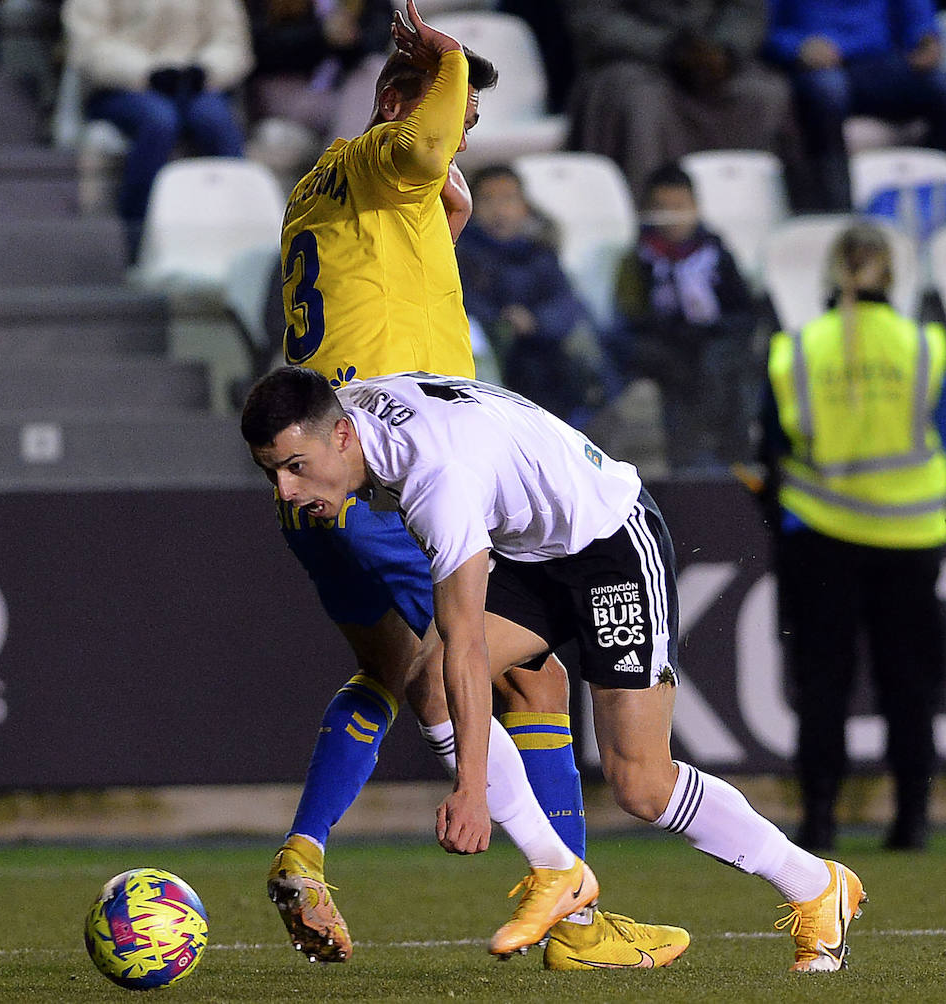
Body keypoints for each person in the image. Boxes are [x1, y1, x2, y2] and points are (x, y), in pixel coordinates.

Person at [264, 1, 685, 970]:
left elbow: (381, 284)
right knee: (518, 671)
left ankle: (305, 848)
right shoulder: (385, 160)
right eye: (461, 121)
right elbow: (415, 149)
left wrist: (436, 225)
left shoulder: (324, 188)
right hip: (376, 478)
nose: (464, 141)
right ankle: (574, 916)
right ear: (401, 106)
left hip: (309, 490)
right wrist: (443, 62)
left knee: (392, 673)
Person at [241, 365, 868, 973]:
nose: (287, 492)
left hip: (613, 543)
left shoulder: (439, 478)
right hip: (534, 553)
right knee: (425, 681)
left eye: (297, 468)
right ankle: (558, 868)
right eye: (273, 473)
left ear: (344, 435)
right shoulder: (352, 410)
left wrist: (471, 786)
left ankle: (817, 886)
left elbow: (467, 645)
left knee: (640, 784)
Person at [756, 222, 946, 852]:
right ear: (892, 276)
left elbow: (772, 448)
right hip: (911, 535)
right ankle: (912, 820)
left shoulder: (797, 348)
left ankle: (820, 819)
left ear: (829, 273)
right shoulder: (924, 346)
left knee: (822, 682)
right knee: (910, 683)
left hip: (819, 536)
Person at [563, 0, 807, 204]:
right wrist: (671, 48)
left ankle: (754, 210)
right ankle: (653, 218)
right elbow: (594, 22)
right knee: (642, 102)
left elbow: (747, 12)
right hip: (632, 61)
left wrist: (723, 50)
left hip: (713, 57)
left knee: (765, 93)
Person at [62, 0, 254, 253]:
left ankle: (246, 233)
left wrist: (206, 70)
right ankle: (138, 241)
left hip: (197, 83)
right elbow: (88, 46)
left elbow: (232, 40)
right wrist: (147, 72)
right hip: (124, 85)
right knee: (159, 121)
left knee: (214, 120)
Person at [609, 163, 757, 472]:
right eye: (663, 208)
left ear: (696, 207)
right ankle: (688, 468)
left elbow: (742, 310)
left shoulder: (717, 253)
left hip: (715, 344)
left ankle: (734, 463)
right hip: (665, 351)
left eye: (680, 207)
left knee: (725, 366)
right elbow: (629, 319)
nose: (673, 217)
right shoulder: (637, 259)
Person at [765, 0, 946, 210]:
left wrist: (926, 36)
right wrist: (800, 48)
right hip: (820, 67)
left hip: (880, 61)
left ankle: (932, 201)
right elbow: (767, 33)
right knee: (828, 92)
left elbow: (918, 18)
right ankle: (838, 213)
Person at [455, 164, 600, 425]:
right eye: (488, 200)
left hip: (546, 347)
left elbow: (565, 302)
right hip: (498, 354)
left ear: (525, 207)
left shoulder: (540, 251)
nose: (499, 210)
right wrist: (503, 320)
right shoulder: (461, 253)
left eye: (508, 199)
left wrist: (535, 321)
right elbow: (463, 301)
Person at [247, 0, 397, 150]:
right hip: (287, 87)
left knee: (373, 69)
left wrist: (352, 40)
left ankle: (346, 163)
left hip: (340, 94)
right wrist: (321, 35)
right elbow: (257, 47)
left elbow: (380, 36)